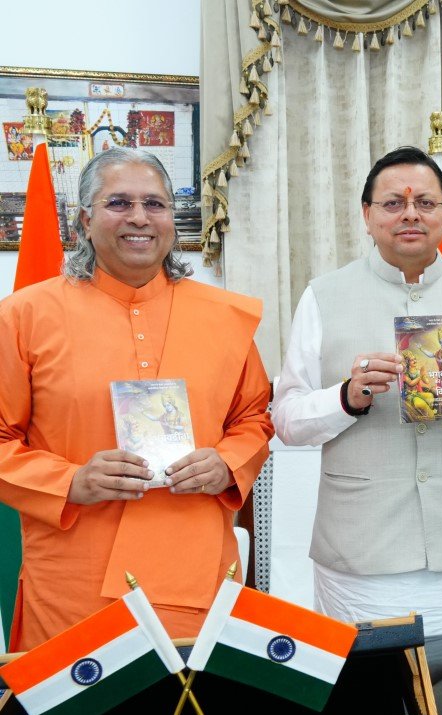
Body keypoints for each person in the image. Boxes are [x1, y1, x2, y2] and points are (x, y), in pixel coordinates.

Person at [0, 147, 272, 649]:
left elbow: (253, 418)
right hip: (74, 580)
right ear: (85, 220)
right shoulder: (24, 316)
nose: (140, 218)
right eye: (119, 202)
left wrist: (227, 463)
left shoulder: (224, 317)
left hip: (195, 574)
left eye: (155, 204)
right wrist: (70, 481)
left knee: (193, 702)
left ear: (172, 219)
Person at [272, 146, 442, 635]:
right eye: (393, 203)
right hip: (361, 551)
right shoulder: (323, 296)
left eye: (425, 203)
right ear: (366, 215)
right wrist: (346, 398)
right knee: (371, 683)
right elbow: (287, 418)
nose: (411, 214)